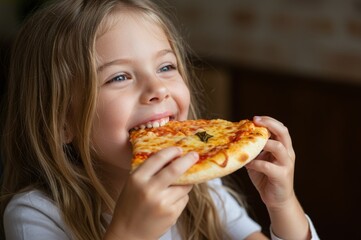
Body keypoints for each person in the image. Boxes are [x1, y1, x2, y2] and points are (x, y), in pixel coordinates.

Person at [0, 0, 319, 239]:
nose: (157, 89)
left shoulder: (203, 186)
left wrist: (282, 206)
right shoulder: (35, 214)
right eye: (120, 77)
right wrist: (129, 232)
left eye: (166, 67)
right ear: (61, 121)